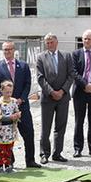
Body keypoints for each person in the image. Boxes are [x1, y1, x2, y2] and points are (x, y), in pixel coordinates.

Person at [0, 41, 41, 168]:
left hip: (22, 106)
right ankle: (9, 161)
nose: (7, 52)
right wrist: (7, 99)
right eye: (5, 50)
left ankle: (30, 160)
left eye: (9, 49)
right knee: (7, 135)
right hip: (5, 108)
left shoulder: (23, 66)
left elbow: (27, 84)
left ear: (14, 50)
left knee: (28, 133)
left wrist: (21, 99)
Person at [36, 33, 76, 163]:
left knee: (60, 126)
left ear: (56, 42)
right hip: (48, 98)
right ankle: (44, 153)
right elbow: (40, 78)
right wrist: (52, 92)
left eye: (51, 42)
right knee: (45, 127)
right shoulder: (41, 57)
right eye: (47, 42)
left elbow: (71, 75)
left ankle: (57, 153)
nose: (49, 44)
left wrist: (63, 91)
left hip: (63, 98)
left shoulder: (66, 56)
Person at [0, 80, 22, 173]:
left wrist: (17, 115)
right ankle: (1, 166)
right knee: (1, 149)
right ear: (2, 91)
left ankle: (8, 165)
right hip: (2, 130)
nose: (9, 94)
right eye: (7, 92)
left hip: (11, 130)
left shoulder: (14, 101)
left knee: (9, 149)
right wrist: (10, 117)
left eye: (10, 92)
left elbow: (16, 111)